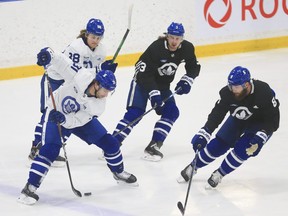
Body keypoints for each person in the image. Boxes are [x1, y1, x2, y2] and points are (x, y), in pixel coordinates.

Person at [17, 48, 137, 205]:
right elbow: (62, 62)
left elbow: (76, 121)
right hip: (55, 112)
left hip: (75, 120)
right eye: (105, 90)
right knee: (50, 150)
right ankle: (29, 188)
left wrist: (65, 119)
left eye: (109, 91)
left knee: (111, 143)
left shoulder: (98, 106)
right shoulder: (82, 76)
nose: (106, 94)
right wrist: (48, 54)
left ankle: (118, 172)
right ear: (96, 83)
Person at [28, 18, 117, 166]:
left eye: (99, 38)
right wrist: (99, 70)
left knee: (66, 114)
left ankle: (53, 145)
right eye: (93, 37)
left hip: (71, 83)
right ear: (86, 34)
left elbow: (90, 79)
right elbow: (76, 71)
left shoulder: (101, 50)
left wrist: (103, 71)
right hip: (55, 78)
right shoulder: (76, 47)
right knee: (49, 111)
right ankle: (37, 148)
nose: (96, 40)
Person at [177, 66, 280, 188]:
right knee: (218, 144)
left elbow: (273, 120)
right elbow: (217, 113)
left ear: (246, 84)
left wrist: (262, 136)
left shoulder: (263, 92)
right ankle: (193, 166)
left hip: (259, 124)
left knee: (244, 149)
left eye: (236, 87)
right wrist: (205, 131)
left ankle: (219, 173)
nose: (233, 90)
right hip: (238, 119)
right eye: (231, 86)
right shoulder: (227, 93)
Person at [112, 22, 201, 161]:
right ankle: (113, 142)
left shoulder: (187, 48)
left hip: (163, 85)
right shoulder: (156, 48)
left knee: (172, 111)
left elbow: (193, 67)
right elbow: (143, 72)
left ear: (182, 38)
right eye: (171, 37)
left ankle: (154, 145)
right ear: (167, 36)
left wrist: (187, 80)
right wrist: (154, 93)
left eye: (177, 38)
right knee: (136, 113)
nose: (174, 41)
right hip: (142, 81)